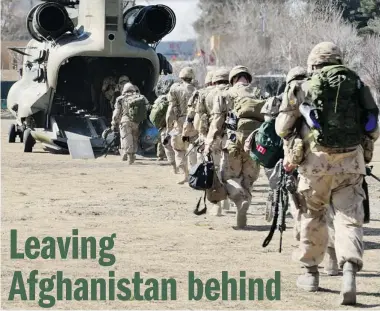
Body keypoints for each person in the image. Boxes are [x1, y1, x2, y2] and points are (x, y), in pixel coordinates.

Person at [275, 41, 379, 305]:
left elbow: (282, 128)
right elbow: (373, 129)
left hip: (314, 164)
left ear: (314, 63)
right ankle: (348, 271)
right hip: (350, 164)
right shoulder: (357, 86)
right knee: (348, 219)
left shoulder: (300, 87)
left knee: (312, 215)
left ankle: (311, 274)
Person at [204, 66, 262, 227]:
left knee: (228, 177)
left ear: (233, 79)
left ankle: (238, 197)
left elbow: (217, 121)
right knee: (248, 180)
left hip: (232, 143)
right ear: (248, 78)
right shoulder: (258, 93)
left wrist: (209, 142)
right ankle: (242, 208)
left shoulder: (225, 94)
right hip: (255, 144)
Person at [166, 67, 197, 184]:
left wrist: (169, 127)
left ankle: (184, 174)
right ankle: (192, 174)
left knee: (178, 149)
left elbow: (170, 111)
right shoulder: (196, 91)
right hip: (192, 123)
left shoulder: (174, 89)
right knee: (192, 148)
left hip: (178, 123)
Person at [111, 83, 149, 164]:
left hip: (125, 121)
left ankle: (128, 156)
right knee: (135, 138)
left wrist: (114, 122)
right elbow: (148, 107)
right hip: (136, 121)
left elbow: (116, 112)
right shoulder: (141, 97)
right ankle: (132, 154)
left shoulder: (120, 99)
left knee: (126, 138)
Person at [152, 78, 176, 168]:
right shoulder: (173, 96)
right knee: (173, 141)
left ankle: (160, 156)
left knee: (163, 141)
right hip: (173, 125)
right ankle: (173, 160)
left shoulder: (160, 98)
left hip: (162, 125)